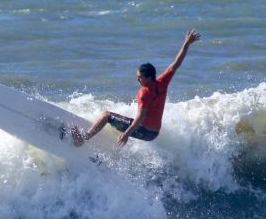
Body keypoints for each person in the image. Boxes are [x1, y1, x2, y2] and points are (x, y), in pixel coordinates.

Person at [72, 29, 201, 148]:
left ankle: (82, 139)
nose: (137, 79)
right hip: (154, 133)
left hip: (144, 131)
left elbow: (140, 117)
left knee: (106, 115)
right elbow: (176, 63)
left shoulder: (144, 93)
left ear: (148, 78)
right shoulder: (162, 82)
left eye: (140, 77)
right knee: (124, 119)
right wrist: (187, 43)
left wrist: (127, 133)